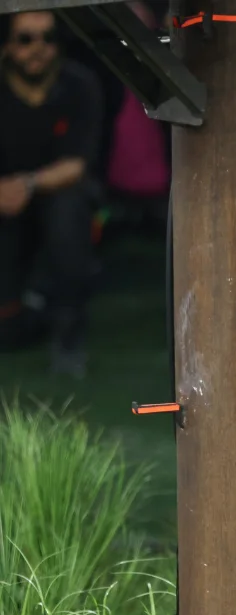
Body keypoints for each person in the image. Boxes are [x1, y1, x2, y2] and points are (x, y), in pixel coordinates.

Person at [0, 11, 104, 377]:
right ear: (8, 46)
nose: (38, 49)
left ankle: (69, 337)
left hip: (57, 196)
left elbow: (77, 163)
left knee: (69, 209)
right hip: (4, 203)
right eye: (26, 39)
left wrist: (26, 184)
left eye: (48, 38)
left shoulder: (80, 85)